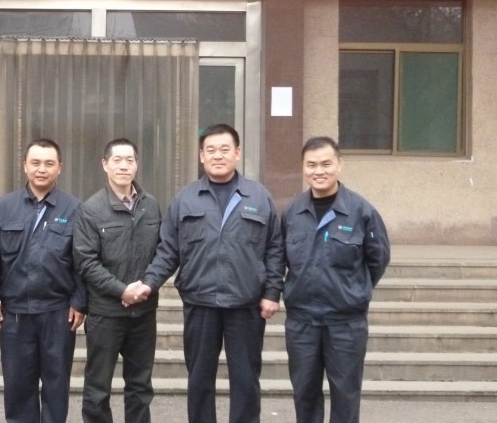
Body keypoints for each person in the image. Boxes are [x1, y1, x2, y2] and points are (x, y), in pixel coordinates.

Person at [134, 123, 284, 423]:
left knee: (246, 379)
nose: (218, 155)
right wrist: (149, 283)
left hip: (245, 304)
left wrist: (272, 292)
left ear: (237, 153)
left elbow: (274, 248)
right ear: (201, 155)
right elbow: (168, 250)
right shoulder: (185, 199)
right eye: (211, 150)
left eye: (224, 149)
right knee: (200, 379)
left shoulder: (258, 197)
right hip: (200, 303)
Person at [281, 136, 390, 423]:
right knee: (304, 394)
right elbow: (279, 258)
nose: (319, 171)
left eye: (326, 164)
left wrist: (353, 290)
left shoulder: (361, 211)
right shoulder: (292, 212)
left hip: (346, 323)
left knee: (346, 396)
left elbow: (378, 258)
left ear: (339, 165)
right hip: (302, 321)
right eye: (311, 165)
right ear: (303, 167)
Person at [0, 138, 87, 423]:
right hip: (15, 312)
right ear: (24, 166)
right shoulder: (3, 207)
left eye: (48, 163)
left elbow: (83, 261)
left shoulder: (75, 209)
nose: (41, 169)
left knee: (56, 385)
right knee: (18, 385)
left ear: (59, 167)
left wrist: (80, 301)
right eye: (35, 163)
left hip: (58, 312)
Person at [73, 138, 162, 423]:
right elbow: (86, 262)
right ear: (105, 165)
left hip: (144, 313)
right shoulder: (91, 209)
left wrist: (148, 285)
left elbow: (163, 253)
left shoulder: (151, 206)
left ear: (137, 164)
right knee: (98, 388)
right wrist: (122, 291)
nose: (124, 166)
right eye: (117, 160)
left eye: (129, 160)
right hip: (106, 314)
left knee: (140, 387)